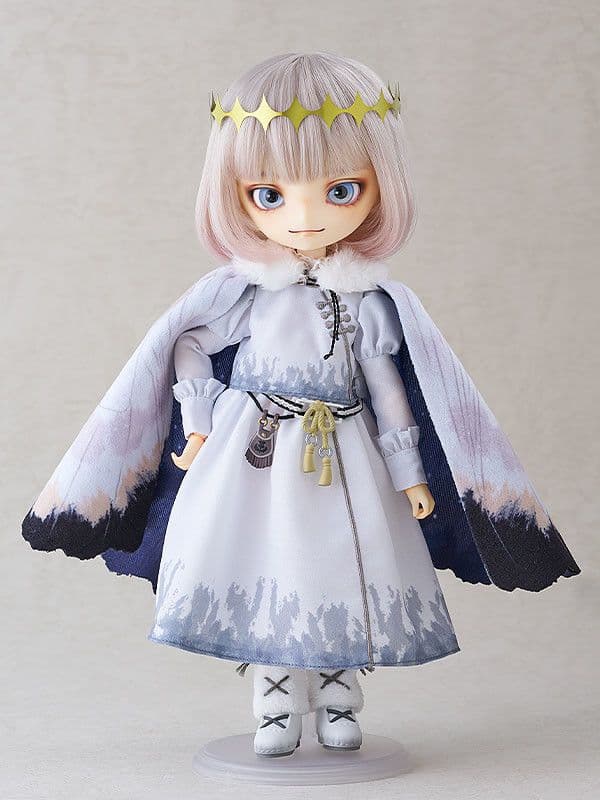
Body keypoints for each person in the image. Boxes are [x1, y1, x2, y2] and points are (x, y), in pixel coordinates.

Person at [23, 52, 580, 759]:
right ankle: (276, 700)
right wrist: (198, 423)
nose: (307, 215)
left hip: (345, 451)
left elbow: (389, 390)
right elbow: (187, 346)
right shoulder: (245, 293)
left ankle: (341, 693)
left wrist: (410, 473)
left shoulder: (368, 301)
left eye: (341, 190)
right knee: (265, 567)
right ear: (237, 194)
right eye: (271, 194)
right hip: (253, 451)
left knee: (346, 564)